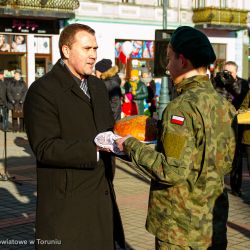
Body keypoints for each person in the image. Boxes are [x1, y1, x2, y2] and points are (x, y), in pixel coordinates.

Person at [116, 26, 236, 249]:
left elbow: (170, 170)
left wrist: (129, 145)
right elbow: (225, 160)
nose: (167, 66)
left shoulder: (181, 107)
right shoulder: (224, 105)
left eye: (169, 58)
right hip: (212, 223)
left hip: (180, 228)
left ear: (182, 60)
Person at [23, 23, 125, 250]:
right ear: (66, 51)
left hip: (102, 199)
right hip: (67, 205)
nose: (93, 55)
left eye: (95, 49)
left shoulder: (98, 86)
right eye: (86, 49)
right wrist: (95, 149)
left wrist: (123, 143)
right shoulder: (43, 91)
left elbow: (108, 130)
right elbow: (45, 147)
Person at [221, 61, 249, 197]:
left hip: (237, 124)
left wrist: (230, 82)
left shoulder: (243, 84)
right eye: (225, 71)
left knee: (236, 157)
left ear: (236, 73)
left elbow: (241, 98)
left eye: (230, 72)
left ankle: (235, 186)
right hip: (220, 123)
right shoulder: (216, 82)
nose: (227, 74)